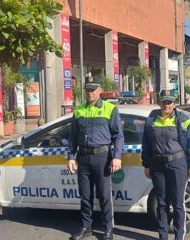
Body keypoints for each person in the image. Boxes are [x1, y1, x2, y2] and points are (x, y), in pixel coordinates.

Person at [67, 76, 124, 240]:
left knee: (104, 196)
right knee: (85, 196)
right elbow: (72, 137)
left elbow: (118, 135)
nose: (90, 93)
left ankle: (108, 229)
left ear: (99, 91)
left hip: (102, 157)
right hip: (83, 158)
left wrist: (117, 156)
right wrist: (71, 157)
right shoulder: (78, 110)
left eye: (93, 90)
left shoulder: (110, 109)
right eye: (88, 90)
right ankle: (86, 227)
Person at [141, 90, 190, 240]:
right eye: (164, 102)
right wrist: (147, 164)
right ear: (159, 102)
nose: (166, 105)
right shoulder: (152, 118)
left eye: (170, 102)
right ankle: (163, 236)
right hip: (157, 165)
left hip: (177, 164)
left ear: (174, 103)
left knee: (178, 203)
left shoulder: (182, 119)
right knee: (162, 203)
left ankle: (179, 236)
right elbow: (146, 143)